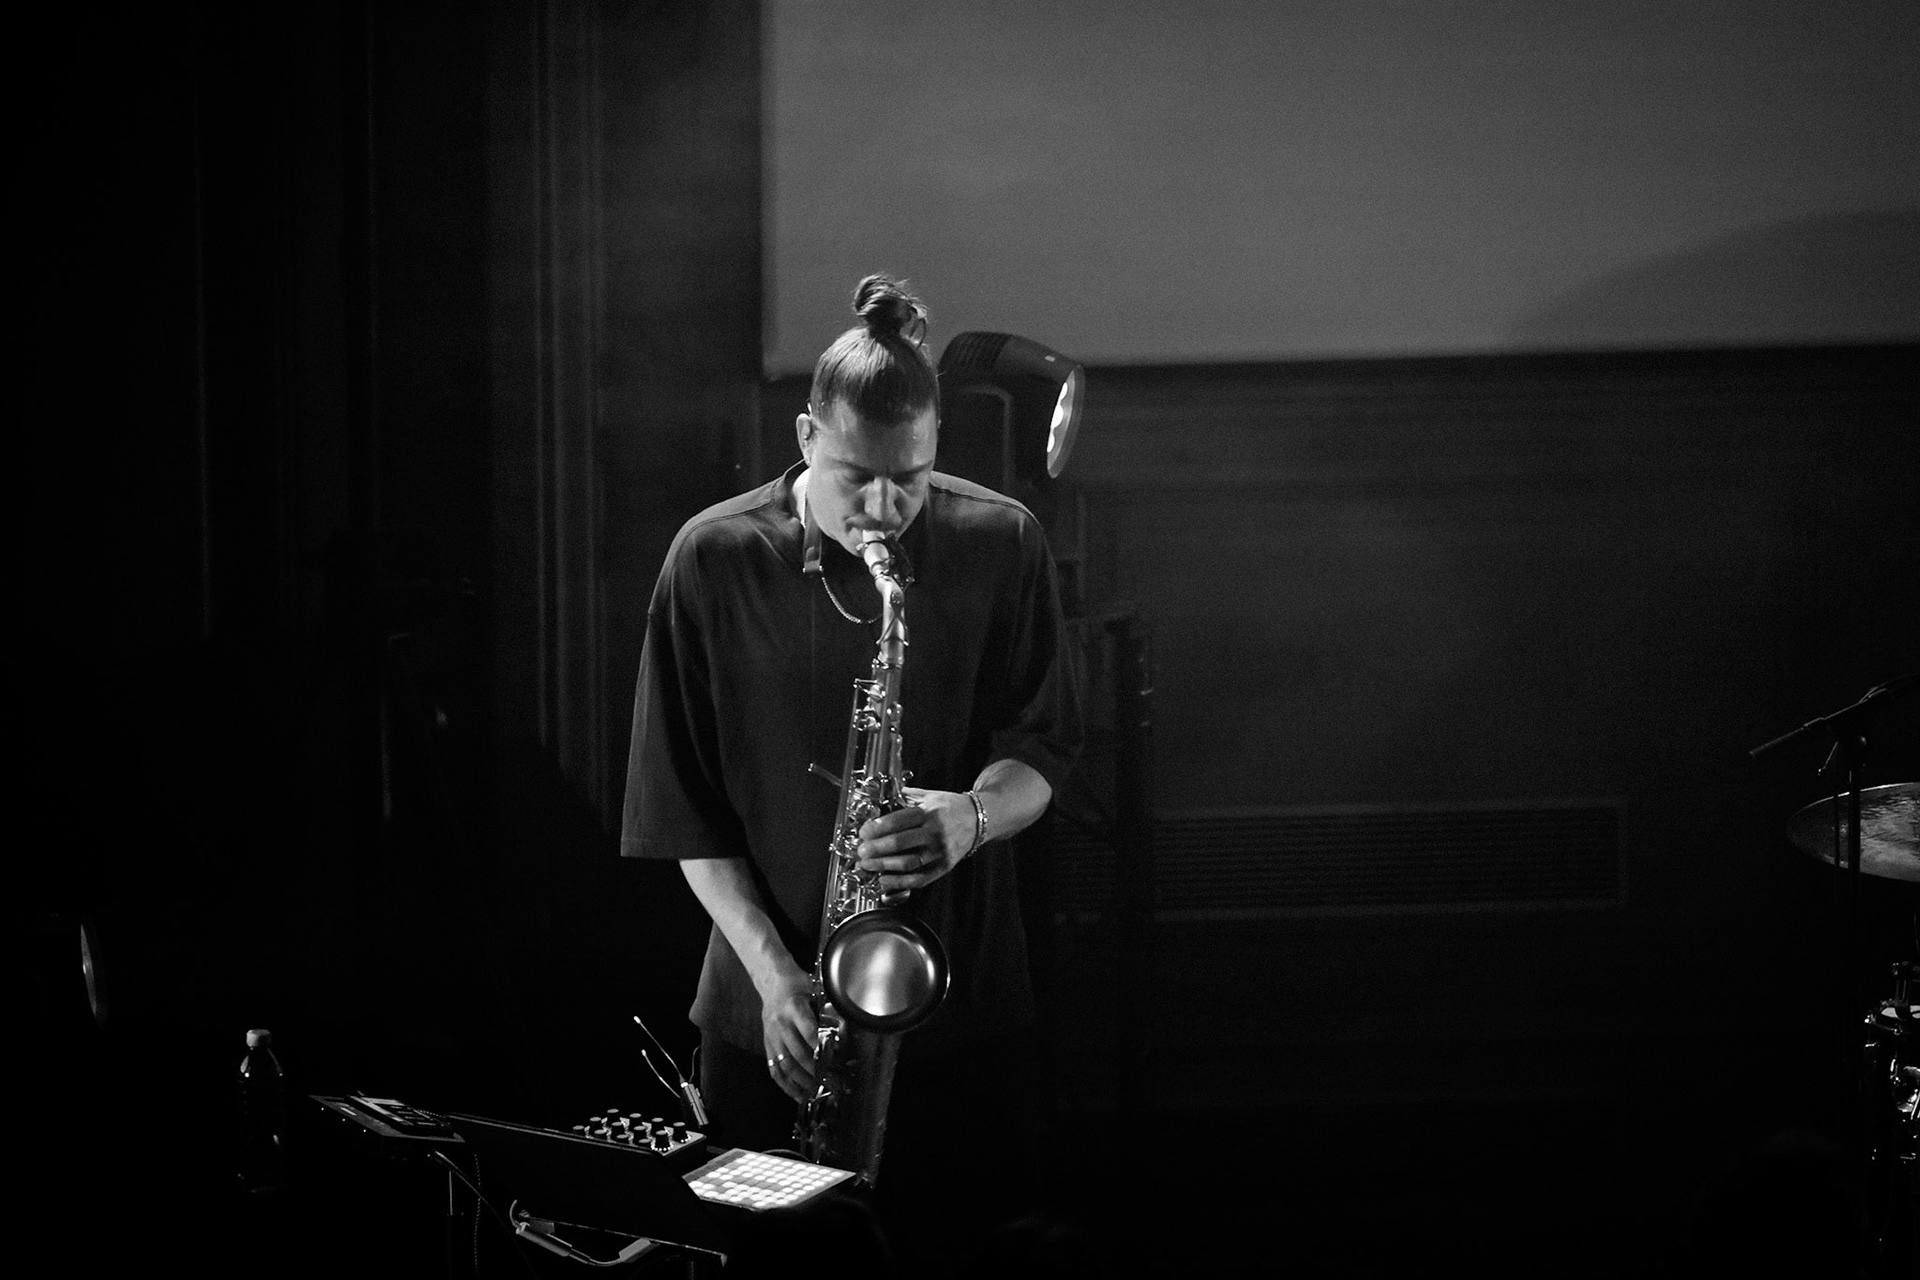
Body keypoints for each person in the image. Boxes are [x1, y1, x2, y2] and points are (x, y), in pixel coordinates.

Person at [620, 274, 1082, 1257]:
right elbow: (681, 807)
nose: (883, 507)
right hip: (773, 1012)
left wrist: (970, 814)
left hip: (963, 1013)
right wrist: (778, 979)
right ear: (802, 438)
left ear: (936, 447)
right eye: (855, 476)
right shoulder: (712, 557)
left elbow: (1043, 747)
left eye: (909, 478)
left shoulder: (1002, 539)